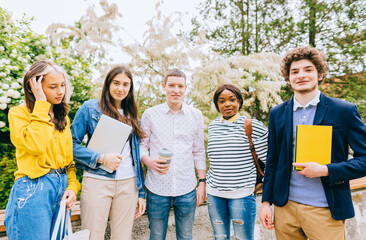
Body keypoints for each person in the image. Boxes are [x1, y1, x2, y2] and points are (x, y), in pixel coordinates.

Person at [259, 46, 366, 239]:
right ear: (288, 78)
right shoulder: (277, 113)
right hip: (285, 209)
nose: (301, 75)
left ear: (320, 73)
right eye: (294, 72)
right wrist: (266, 202)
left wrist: (326, 170)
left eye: (308, 70)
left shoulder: (344, 110)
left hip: (325, 209)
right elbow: (272, 159)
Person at [4, 60, 81, 239]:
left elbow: (68, 162)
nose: (61, 91)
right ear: (34, 86)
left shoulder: (63, 118)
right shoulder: (19, 113)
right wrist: (41, 104)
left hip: (61, 189)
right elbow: (35, 145)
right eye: (53, 86)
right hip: (33, 188)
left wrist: (72, 187)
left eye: (62, 85)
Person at [71, 64, 146, 240]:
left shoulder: (133, 115)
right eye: (116, 83)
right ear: (108, 84)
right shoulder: (90, 108)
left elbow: (135, 156)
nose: (121, 88)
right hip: (98, 181)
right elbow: (71, 145)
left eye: (125, 84)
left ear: (130, 87)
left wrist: (141, 193)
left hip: (128, 184)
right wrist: (100, 158)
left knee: (122, 237)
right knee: (92, 236)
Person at [140, 69, 206, 240]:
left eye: (180, 86)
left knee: (185, 236)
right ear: (164, 87)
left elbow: (199, 150)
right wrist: (148, 161)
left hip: (187, 187)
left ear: (185, 88)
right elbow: (141, 146)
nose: (176, 90)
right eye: (171, 85)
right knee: (156, 236)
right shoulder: (150, 114)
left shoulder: (196, 115)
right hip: (157, 187)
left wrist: (202, 182)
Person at [206, 84, 268, 240]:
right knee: (220, 237)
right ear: (217, 105)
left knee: (243, 238)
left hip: (242, 193)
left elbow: (270, 159)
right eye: (222, 101)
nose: (227, 104)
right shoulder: (213, 126)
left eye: (232, 99)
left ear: (239, 101)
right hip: (214, 193)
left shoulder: (252, 126)